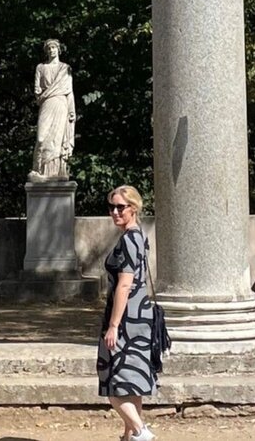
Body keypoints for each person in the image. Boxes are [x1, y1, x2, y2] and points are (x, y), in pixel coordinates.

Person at [97, 185, 157, 441]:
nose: (115, 212)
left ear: (134, 208)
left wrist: (113, 325)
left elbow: (124, 284)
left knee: (113, 383)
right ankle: (129, 436)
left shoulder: (128, 240)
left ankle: (141, 432)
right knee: (132, 382)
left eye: (120, 207)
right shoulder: (139, 235)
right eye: (112, 207)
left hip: (125, 319)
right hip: (140, 315)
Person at [30, 38, 76, 180]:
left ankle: (56, 173)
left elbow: (69, 91)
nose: (51, 50)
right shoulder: (40, 67)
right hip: (47, 103)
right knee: (41, 138)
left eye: (54, 48)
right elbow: (37, 90)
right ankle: (38, 169)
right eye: (49, 48)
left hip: (61, 104)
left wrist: (72, 110)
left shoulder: (65, 68)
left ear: (58, 49)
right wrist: (43, 94)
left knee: (57, 140)